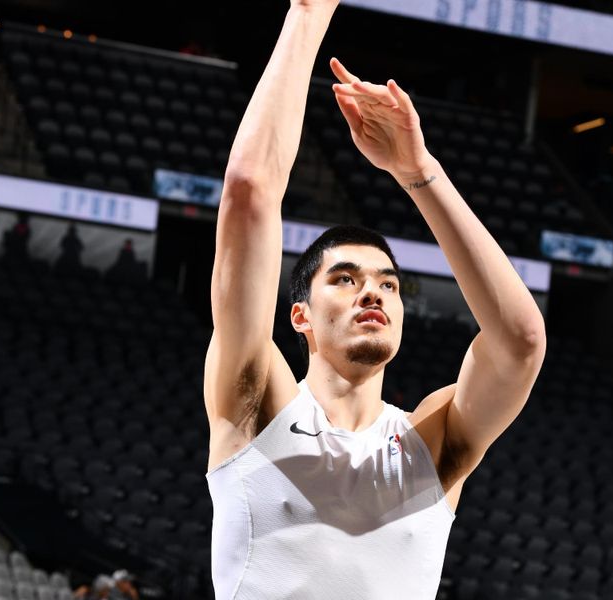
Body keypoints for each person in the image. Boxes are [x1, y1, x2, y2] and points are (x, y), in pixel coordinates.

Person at [203, 1, 547, 598]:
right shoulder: (256, 404)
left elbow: (520, 341)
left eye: (389, 283)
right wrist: (308, 13)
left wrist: (418, 170)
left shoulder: (430, 449)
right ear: (300, 317)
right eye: (344, 278)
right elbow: (249, 193)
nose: (373, 291)